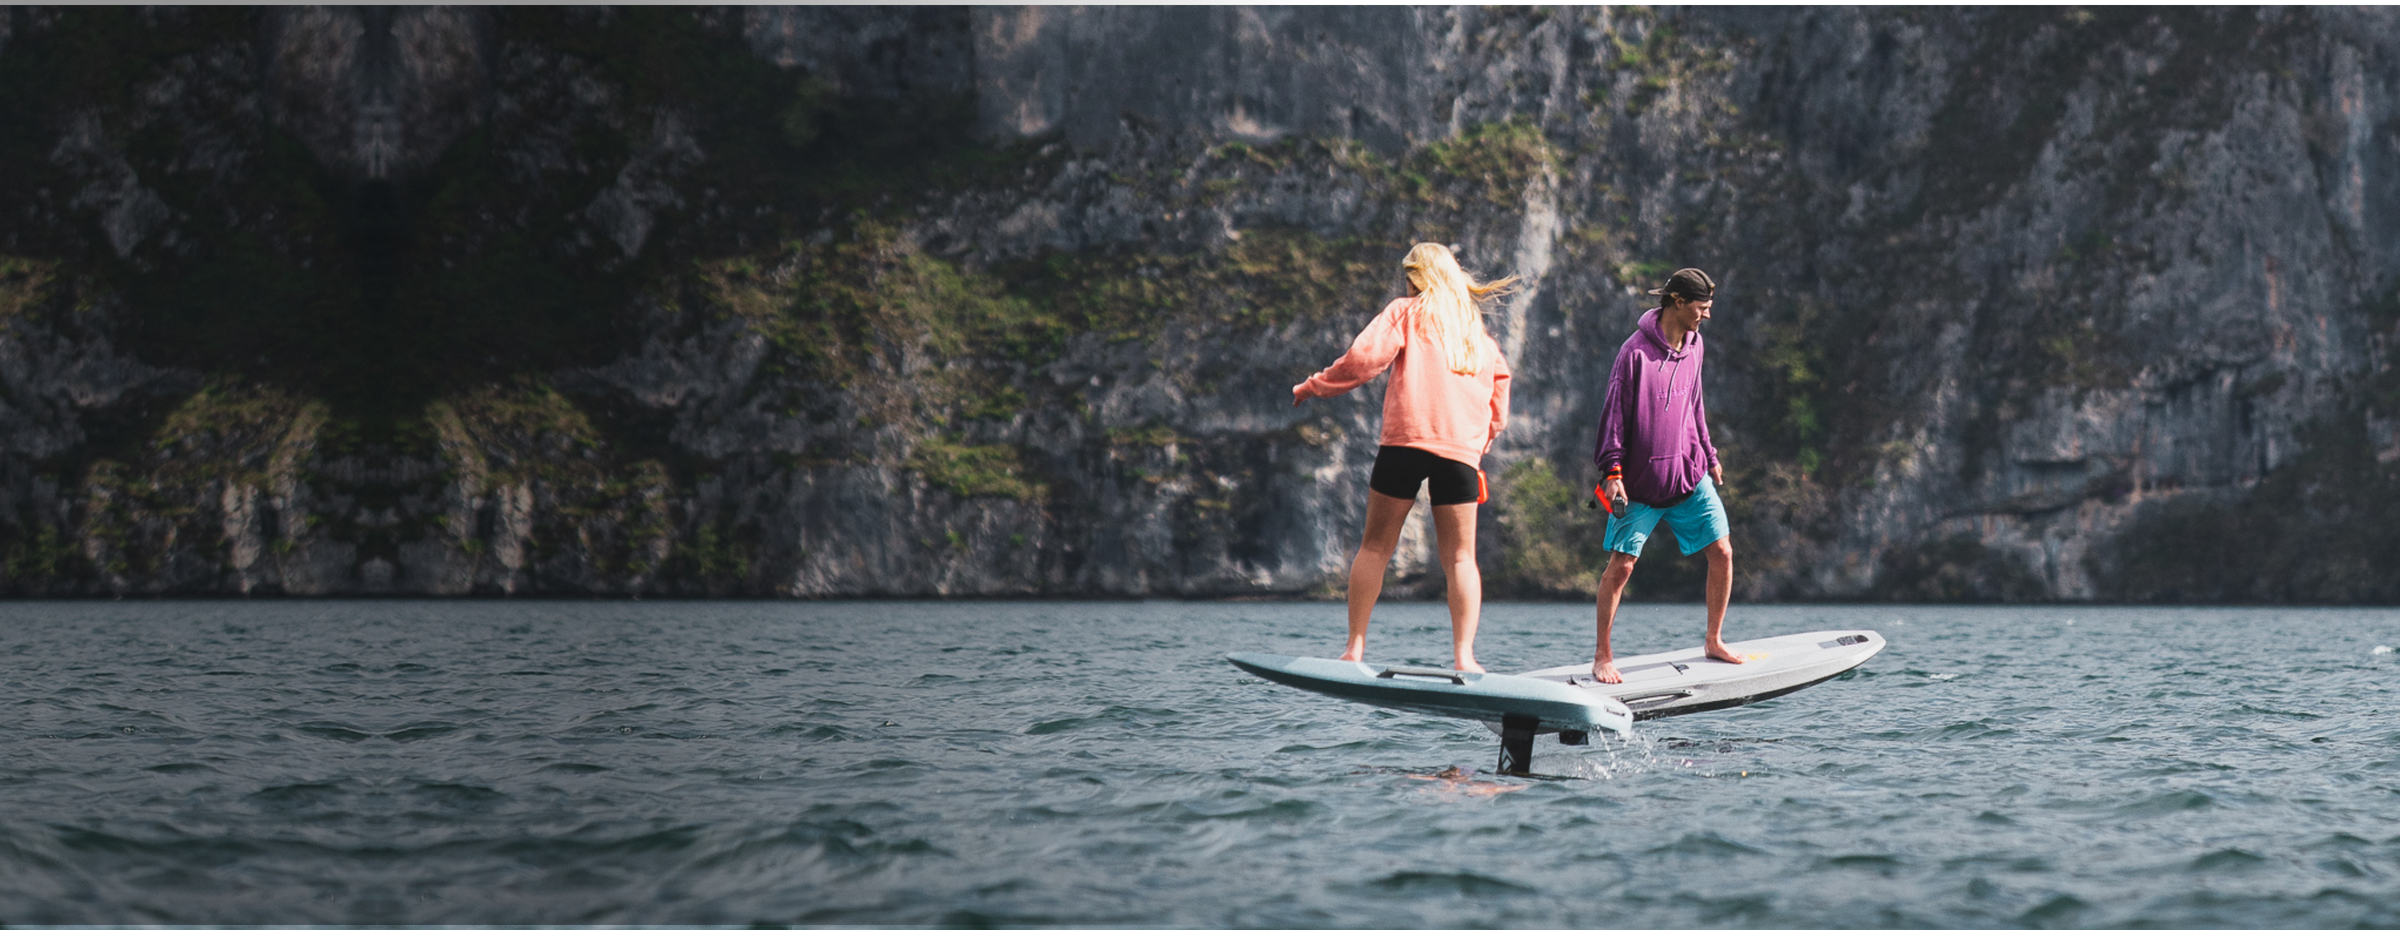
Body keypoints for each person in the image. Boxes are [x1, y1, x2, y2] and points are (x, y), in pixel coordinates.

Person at [1292, 243, 1515, 672]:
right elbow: (1499, 400)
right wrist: (1479, 441)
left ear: (1417, 278)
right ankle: (1465, 658)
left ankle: (1355, 648)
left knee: (1374, 548)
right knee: (1461, 559)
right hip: (1460, 455)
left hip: (1405, 443)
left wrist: (1314, 385)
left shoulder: (1406, 312)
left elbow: (1362, 360)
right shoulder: (1475, 332)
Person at [1590, 267, 1743, 684]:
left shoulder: (1695, 345)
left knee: (1723, 552)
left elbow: (1695, 404)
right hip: (1640, 484)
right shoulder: (1634, 353)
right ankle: (1603, 655)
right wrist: (1612, 472)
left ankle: (1713, 639)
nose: (1707, 315)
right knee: (1621, 567)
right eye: (1701, 307)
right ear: (1677, 302)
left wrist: (1709, 454)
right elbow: (1614, 418)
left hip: (1690, 475)